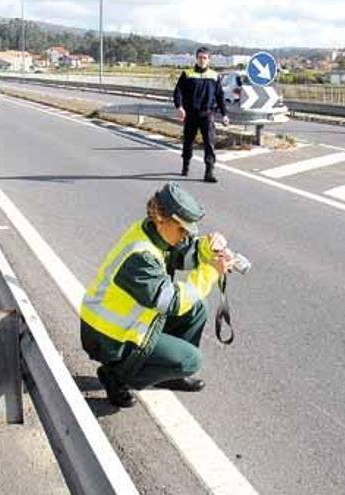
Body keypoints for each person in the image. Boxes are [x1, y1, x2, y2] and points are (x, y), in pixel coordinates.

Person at [80, 182, 233, 407]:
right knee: (191, 360)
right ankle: (116, 377)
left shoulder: (153, 232)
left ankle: (171, 375)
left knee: (198, 307)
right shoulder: (140, 256)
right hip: (107, 335)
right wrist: (211, 271)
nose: (185, 236)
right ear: (162, 219)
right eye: (182, 230)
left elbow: (180, 255)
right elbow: (172, 302)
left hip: (126, 322)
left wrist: (208, 249)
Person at [173, 47, 230, 183]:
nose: (202, 60)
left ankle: (209, 172)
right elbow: (178, 92)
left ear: (209, 60)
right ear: (196, 58)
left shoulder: (215, 76)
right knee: (188, 142)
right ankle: (185, 165)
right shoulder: (187, 74)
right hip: (191, 114)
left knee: (209, 143)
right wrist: (179, 107)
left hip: (207, 114)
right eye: (200, 57)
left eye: (205, 58)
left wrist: (224, 114)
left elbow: (220, 96)